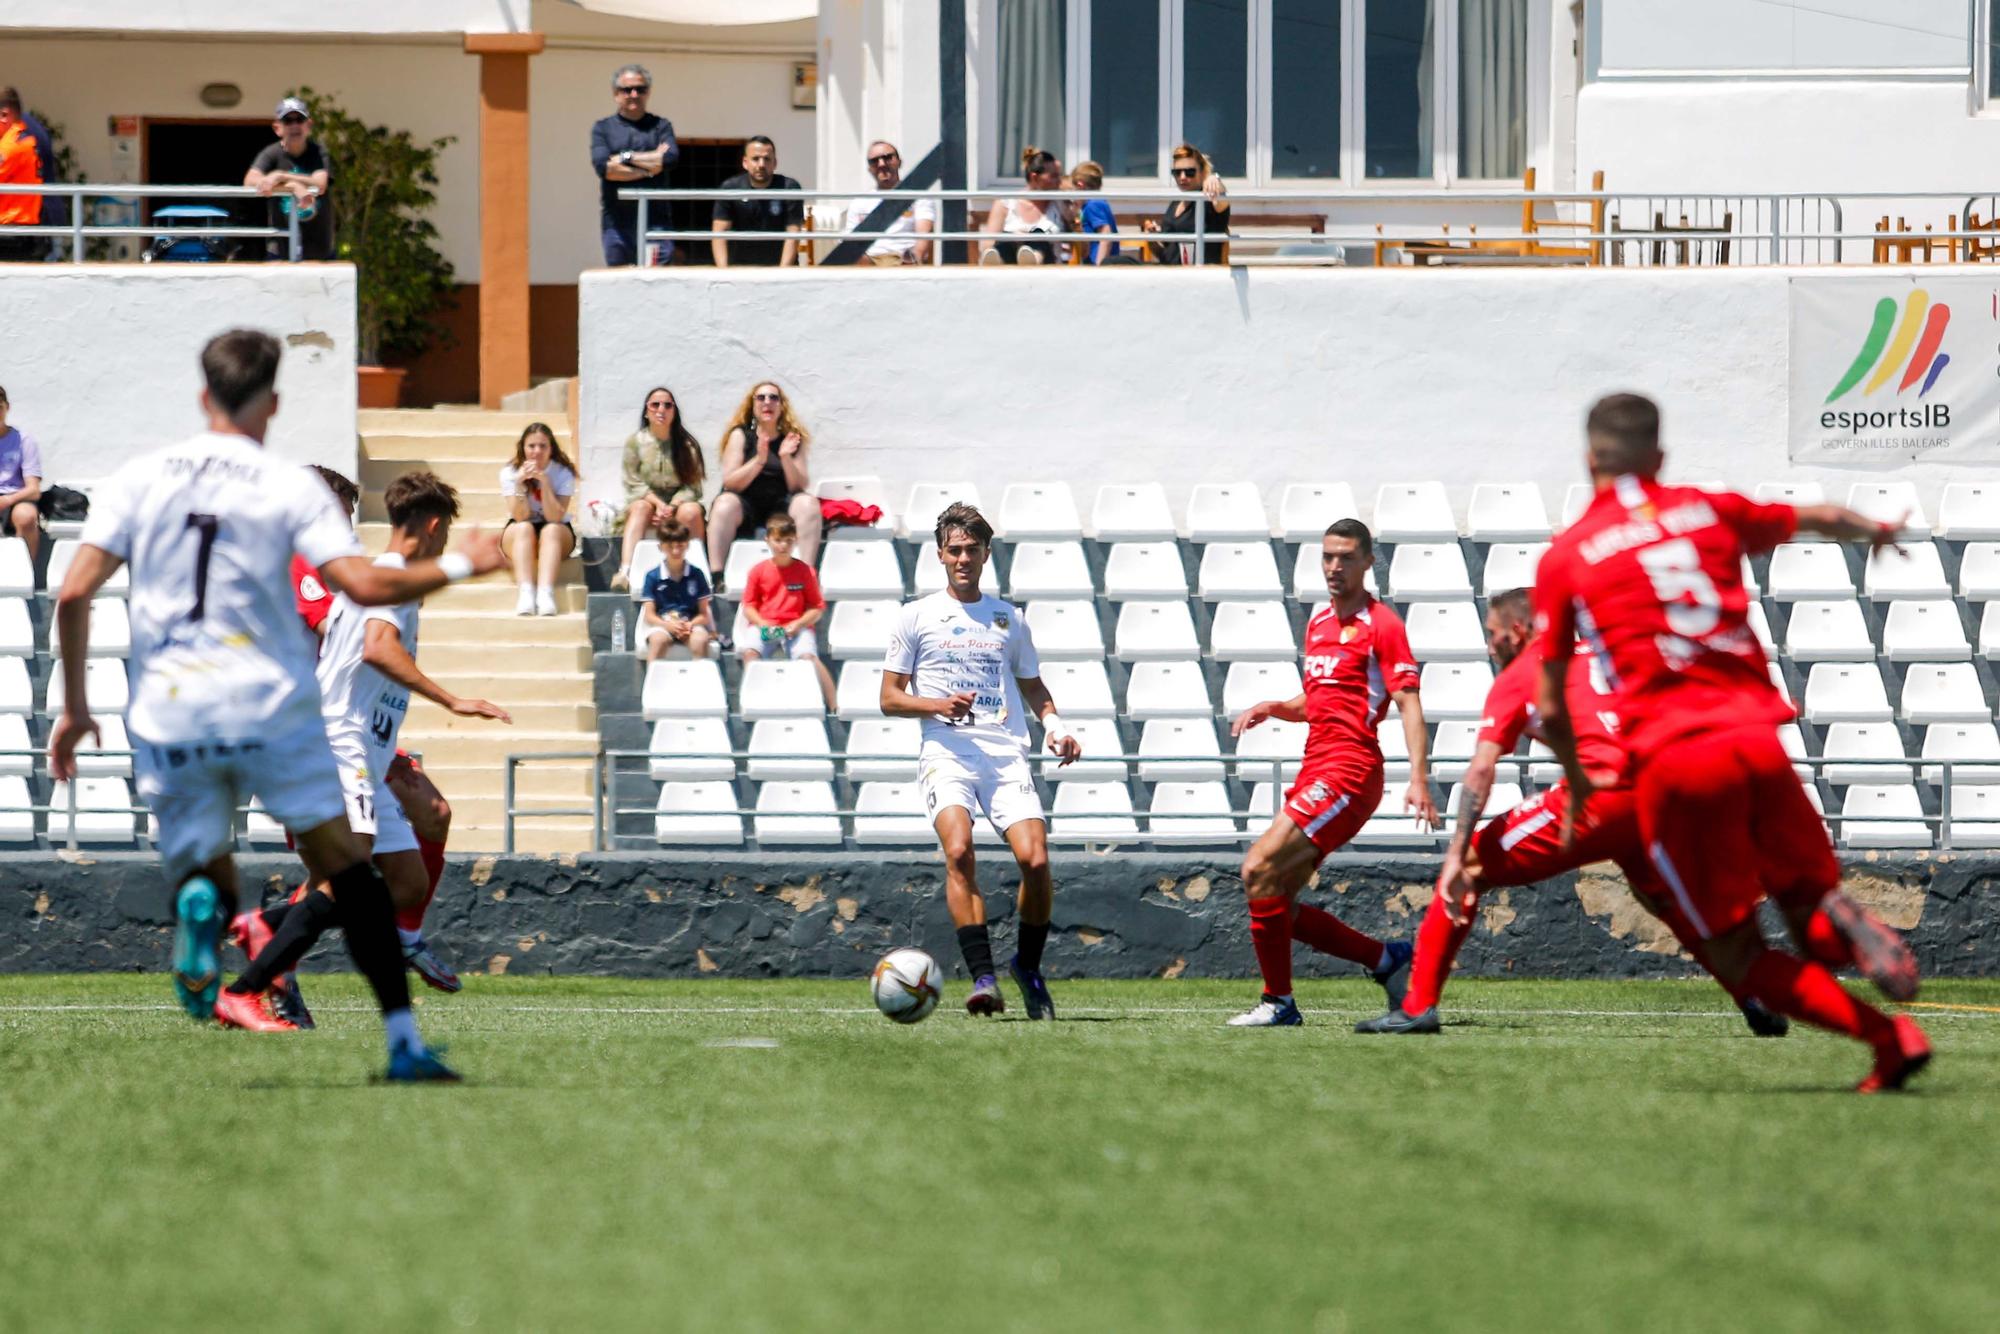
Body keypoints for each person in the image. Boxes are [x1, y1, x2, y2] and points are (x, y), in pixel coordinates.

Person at [45, 328, 506, 1081]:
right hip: (269, 710)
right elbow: (363, 592)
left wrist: (70, 705)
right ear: (275, 402)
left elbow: (71, 591)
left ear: (202, 396)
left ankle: (226, 918)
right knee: (347, 878)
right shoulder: (294, 491)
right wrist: (464, 563)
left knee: (297, 867)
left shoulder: (142, 477)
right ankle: (295, 973)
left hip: (165, 708)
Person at [1534, 392, 1930, 1093]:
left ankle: (1887, 1035)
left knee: (1735, 951)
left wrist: (1576, 781)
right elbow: (1822, 517)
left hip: (1676, 758)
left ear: (1591, 456)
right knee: (1807, 905)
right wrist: (1872, 530)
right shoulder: (1707, 508)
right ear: (1659, 455)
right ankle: (1850, 931)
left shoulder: (1567, 557)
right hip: (1757, 739)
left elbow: (1551, 704)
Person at [1355, 587, 1786, 1038]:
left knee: (1468, 867)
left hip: (1599, 798)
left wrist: (1452, 856)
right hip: (1658, 791)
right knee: (1664, 901)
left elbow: (1482, 770)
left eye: (1493, 634)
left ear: (1517, 632)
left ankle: (1417, 1005)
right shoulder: (1601, 655)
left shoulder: (1521, 675)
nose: (1489, 646)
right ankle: (1751, 993)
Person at [225, 470, 511, 1031]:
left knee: (406, 883)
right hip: (339, 739)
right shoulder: (389, 576)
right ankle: (245, 990)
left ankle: (269, 924)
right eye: (446, 532)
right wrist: (452, 700)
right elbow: (379, 649)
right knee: (346, 879)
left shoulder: (384, 577)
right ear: (432, 527)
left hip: (369, 751)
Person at [1225, 519, 1437, 1026]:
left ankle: (1278, 1003)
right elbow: (1321, 701)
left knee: (1257, 866)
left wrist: (1420, 778)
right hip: (1315, 765)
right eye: (1327, 557)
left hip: (1350, 771)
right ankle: (1387, 960)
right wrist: (1275, 706)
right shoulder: (1319, 622)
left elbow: (1407, 701)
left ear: (1367, 562)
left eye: (1345, 557)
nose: (1334, 567)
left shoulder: (1383, 624)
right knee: (1275, 897)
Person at [881, 502, 1083, 1017]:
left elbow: (1033, 685)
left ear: (986, 554)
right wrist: (936, 705)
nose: (963, 558)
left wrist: (1055, 728)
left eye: (972, 549)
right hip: (946, 752)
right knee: (959, 851)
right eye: (955, 550)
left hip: (1005, 754)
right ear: (940, 555)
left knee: (1035, 860)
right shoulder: (916, 616)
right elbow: (889, 697)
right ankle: (984, 977)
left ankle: (1028, 967)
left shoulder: (1007, 618)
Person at [705, 381, 821, 577]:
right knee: (724, 503)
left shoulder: (792, 439)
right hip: (746, 505)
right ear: (753, 404)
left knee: (808, 503)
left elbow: (798, 487)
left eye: (773, 398)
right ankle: (717, 575)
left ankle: (806, 574)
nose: (767, 402)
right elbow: (731, 483)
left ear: (781, 405)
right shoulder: (740, 435)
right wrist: (759, 460)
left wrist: (785, 457)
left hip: (781, 505)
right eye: (761, 397)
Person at [737, 513, 834, 709]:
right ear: (768, 540)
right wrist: (763, 623)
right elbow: (749, 606)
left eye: (788, 541)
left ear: (796, 541)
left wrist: (798, 624)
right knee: (750, 653)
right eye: (778, 540)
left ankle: (833, 704)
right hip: (765, 625)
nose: (783, 546)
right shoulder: (758, 571)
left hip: (796, 626)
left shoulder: (806, 571)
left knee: (808, 658)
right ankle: (751, 700)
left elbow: (817, 608)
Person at [613, 386, 705, 592]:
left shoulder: (688, 444)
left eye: (667, 405)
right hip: (647, 502)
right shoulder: (635, 443)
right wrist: (657, 504)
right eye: (655, 405)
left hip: (677, 504)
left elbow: (693, 486)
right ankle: (625, 572)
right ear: (646, 411)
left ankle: (699, 571)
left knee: (692, 511)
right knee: (639, 508)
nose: (661, 409)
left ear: (674, 411)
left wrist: (671, 507)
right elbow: (632, 481)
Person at [591, 63, 679, 267]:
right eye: (626, 89)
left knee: (656, 283)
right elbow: (604, 168)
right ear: (615, 93)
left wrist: (624, 158)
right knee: (619, 283)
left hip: (656, 223)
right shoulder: (603, 128)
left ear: (648, 93)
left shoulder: (661, 126)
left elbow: (669, 159)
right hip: (616, 224)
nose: (633, 94)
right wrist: (650, 168)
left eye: (640, 89)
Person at [500, 421, 578, 617]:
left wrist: (545, 483)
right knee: (524, 527)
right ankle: (526, 592)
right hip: (520, 529)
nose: (537, 451)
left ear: (551, 448)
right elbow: (520, 516)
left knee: (550, 530)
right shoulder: (509, 472)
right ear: (523, 448)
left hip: (556, 529)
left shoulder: (563, 473)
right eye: (531, 446)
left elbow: (555, 517)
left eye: (543, 446)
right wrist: (519, 485)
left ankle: (545, 593)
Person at [244, 97, 334, 261]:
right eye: (288, 120)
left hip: (318, 250)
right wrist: (293, 187)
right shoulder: (271, 153)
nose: (294, 126)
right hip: (279, 249)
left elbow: (320, 184)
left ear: (308, 125)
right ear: (277, 128)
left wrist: (281, 177)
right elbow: (249, 181)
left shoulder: (318, 152)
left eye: (299, 119)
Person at [710, 136, 802, 267]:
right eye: (755, 159)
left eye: (767, 159)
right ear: (745, 162)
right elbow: (719, 232)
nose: (761, 164)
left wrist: (782, 274)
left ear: (775, 163)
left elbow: (793, 233)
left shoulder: (789, 188)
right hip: (741, 269)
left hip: (779, 267)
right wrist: (724, 272)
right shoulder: (731, 188)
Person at [843, 141, 935, 266]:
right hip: (869, 261)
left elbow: (923, 235)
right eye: (874, 161)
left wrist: (914, 258)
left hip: (902, 259)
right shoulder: (859, 202)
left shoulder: (918, 196)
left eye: (887, 157)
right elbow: (850, 241)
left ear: (899, 162)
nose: (881, 164)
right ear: (870, 169)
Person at [979, 146, 1068, 266]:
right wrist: (1017, 238)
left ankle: (1033, 261)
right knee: (1006, 238)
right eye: (1053, 176)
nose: (1059, 181)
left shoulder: (1061, 204)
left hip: (1048, 269)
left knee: (1038, 235)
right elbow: (987, 244)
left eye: (1059, 175)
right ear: (1034, 177)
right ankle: (998, 261)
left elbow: (1081, 243)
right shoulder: (1005, 203)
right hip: (1009, 269)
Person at [1144, 143, 1229, 266]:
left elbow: (1222, 203)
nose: (1182, 177)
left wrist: (1214, 179)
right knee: (1118, 262)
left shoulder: (1208, 201)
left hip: (1197, 272)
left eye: (1189, 172)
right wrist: (1152, 238)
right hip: (1168, 271)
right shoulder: (1175, 204)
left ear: (1202, 172)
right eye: (1177, 173)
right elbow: (1166, 253)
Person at [640, 521, 715, 661]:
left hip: (690, 624)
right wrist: (667, 626)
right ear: (660, 547)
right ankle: (653, 681)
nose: (675, 551)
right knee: (657, 641)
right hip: (662, 624)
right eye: (670, 546)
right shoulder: (652, 576)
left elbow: (704, 614)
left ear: (687, 545)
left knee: (700, 640)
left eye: (680, 546)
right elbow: (649, 615)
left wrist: (690, 624)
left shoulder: (697, 574)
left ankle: (700, 680)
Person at [0, 384, 44, 564]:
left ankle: (25, 577)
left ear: (7, 407)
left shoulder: (23, 440)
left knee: (27, 518)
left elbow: (34, 490)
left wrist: (6, 500)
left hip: (16, 497)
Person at [0, 89, 44, 263]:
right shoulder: (27, 140)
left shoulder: (11, 146)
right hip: (23, 229)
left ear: (5, 115)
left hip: (10, 231)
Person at [1070, 160, 1120, 265]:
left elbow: (1106, 234)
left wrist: (1099, 266)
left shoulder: (1093, 204)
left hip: (1098, 264)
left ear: (1080, 185)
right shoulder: (1097, 203)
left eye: (1073, 189)